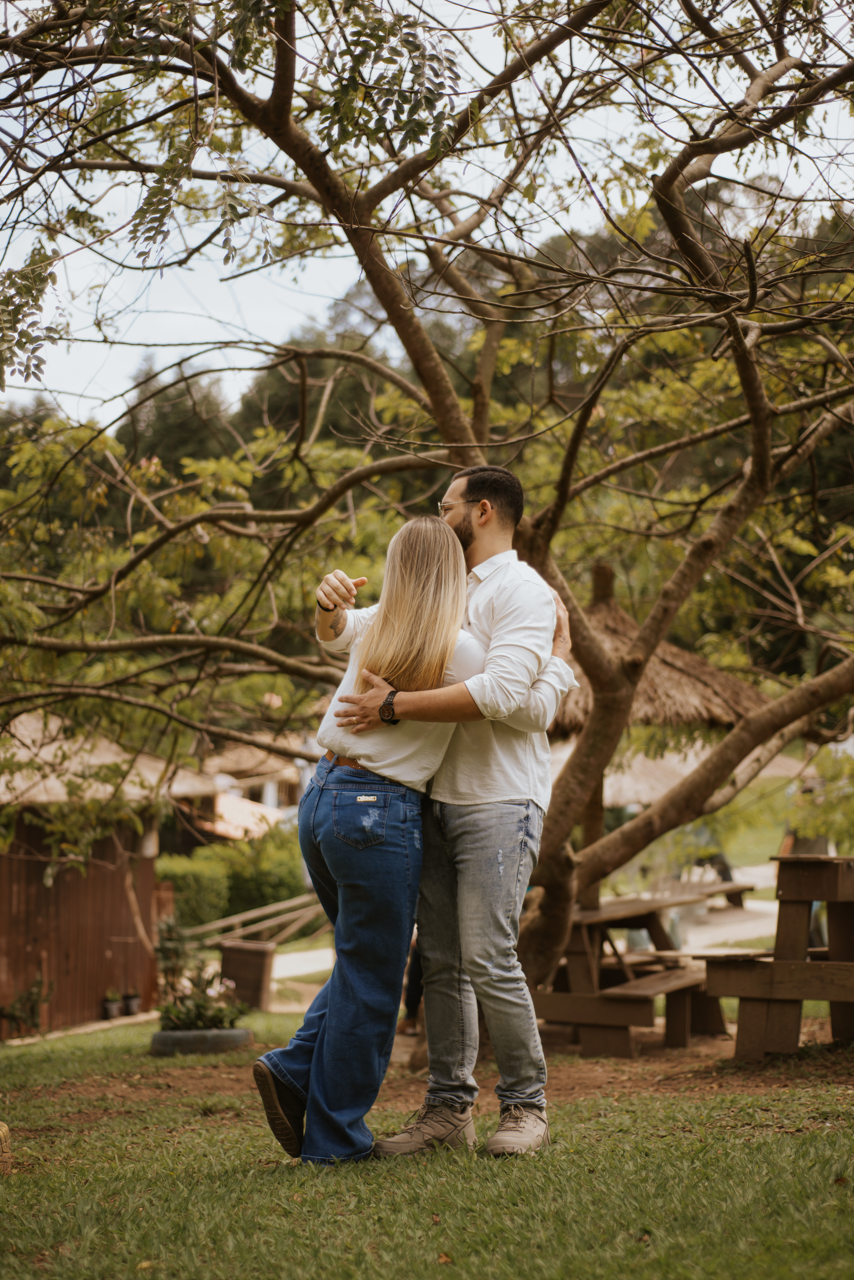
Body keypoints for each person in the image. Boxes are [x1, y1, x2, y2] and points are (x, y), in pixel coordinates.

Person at [253, 515, 571, 1165]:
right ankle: (335, 1139)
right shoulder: (462, 651)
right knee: (373, 977)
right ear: (454, 574)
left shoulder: (381, 625)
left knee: (358, 960)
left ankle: (292, 1071)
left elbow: (336, 631)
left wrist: (327, 610)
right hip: (376, 810)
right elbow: (518, 703)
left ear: (396, 569)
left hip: (320, 798)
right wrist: (559, 665)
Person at [337, 466, 574, 1157]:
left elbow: (509, 697)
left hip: (501, 799)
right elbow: (354, 632)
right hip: (432, 797)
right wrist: (328, 612)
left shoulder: (523, 592)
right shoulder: (445, 591)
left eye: (445, 507)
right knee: (440, 960)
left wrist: (392, 706)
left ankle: (527, 1108)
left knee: (490, 956)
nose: (436, 519)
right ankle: (448, 1113)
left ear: (483, 511)